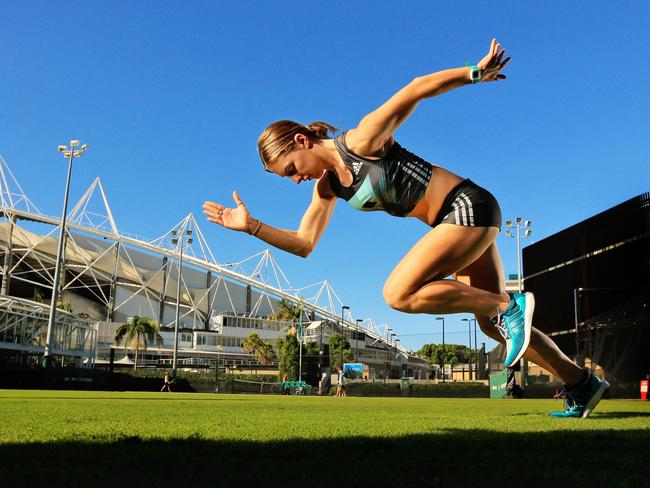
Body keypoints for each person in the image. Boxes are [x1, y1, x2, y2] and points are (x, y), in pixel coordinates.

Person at [203, 39, 608, 418]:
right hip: (455, 223)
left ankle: (508, 306)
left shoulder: (361, 140)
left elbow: (415, 89)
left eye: (291, 169)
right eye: (285, 178)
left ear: (302, 141)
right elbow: (304, 243)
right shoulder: (329, 189)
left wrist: (473, 73)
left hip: (467, 207)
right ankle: (581, 382)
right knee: (489, 325)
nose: (295, 180)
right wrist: (252, 226)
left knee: (398, 293)